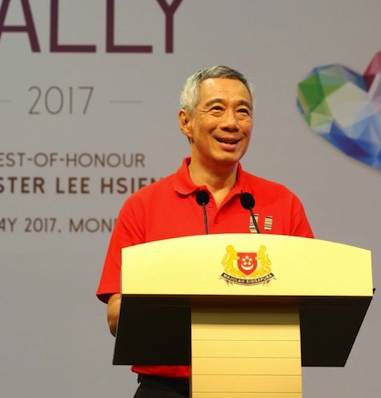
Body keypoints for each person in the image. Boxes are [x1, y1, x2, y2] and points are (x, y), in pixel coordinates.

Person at [96, 65, 314, 398]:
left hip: (262, 386)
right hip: (168, 389)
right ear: (186, 122)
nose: (231, 123)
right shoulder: (143, 206)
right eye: (217, 109)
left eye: (243, 112)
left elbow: (314, 302)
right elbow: (116, 314)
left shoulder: (282, 203)